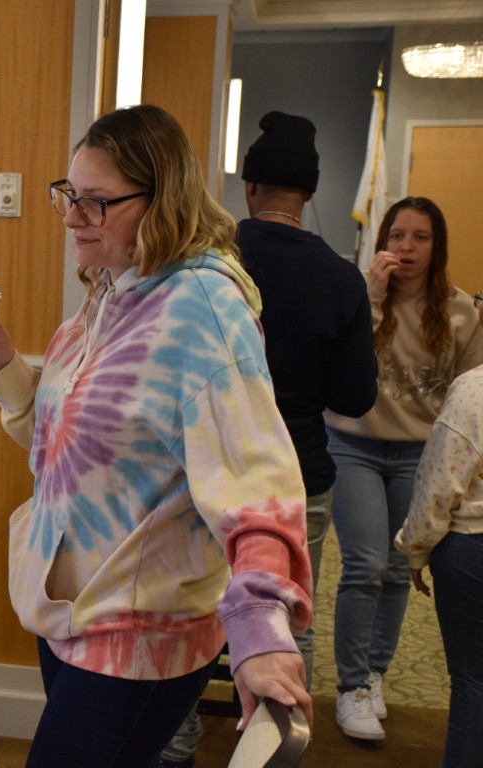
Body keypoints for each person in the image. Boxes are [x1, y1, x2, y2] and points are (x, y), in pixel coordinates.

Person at [0, 104, 313, 768]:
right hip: (75, 611)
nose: (71, 217)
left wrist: (261, 628)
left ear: (161, 201)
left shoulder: (201, 310)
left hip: (141, 633)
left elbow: (259, 485)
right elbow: (76, 448)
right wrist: (2, 371)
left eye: (96, 201)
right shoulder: (112, 291)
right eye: (69, 194)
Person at [160, 111, 379, 768]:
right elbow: (355, 397)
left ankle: (175, 748)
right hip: (296, 478)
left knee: (191, 617)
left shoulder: (203, 263)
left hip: (201, 477)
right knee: (284, 618)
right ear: (309, 193)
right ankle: (272, 746)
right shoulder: (341, 278)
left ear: (249, 186)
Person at [326, 196, 483, 741]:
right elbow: (339, 363)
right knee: (365, 564)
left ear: (437, 247)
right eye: (397, 236)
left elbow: (469, 395)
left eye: (420, 237)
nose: (407, 247)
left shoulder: (461, 311)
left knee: (398, 570)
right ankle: (350, 686)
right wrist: (371, 296)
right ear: (382, 242)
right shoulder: (358, 295)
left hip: (419, 453)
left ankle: (374, 674)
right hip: (354, 443)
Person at [395, 364, 483, 768]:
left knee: (475, 682)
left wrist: (416, 547)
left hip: (474, 547)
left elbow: (439, 483)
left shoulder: (474, 389)